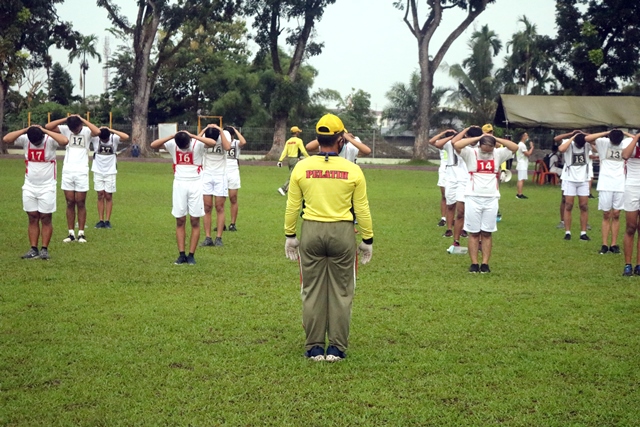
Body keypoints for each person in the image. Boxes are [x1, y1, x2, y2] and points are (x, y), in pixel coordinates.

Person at [283, 113, 373, 362]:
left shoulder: (302, 167)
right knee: (342, 291)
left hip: (311, 230)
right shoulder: (352, 170)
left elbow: (292, 206)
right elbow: (362, 209)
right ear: (341, 140)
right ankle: (336, 348)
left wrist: (290, 235)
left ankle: (313, 347)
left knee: (311, 290)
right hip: (343, 232)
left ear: (318, 138)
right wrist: (368, 240)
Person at [454, 131, 518, 273]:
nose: (487, 152)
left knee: (487, 232)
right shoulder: (471, 153)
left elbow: (514, 147)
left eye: (490, 149)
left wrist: (495, 138)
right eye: (485, 149)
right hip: (472, 197)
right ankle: (474, 263)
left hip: (491, 198)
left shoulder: (498, 154)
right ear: (480, 146)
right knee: (474, 232)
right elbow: (456, 144)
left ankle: (485, 263)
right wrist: (479, 137)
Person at [150, 129, 217, 264]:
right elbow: (153, 145)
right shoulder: (174, 144)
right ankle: (181, 254)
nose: (184, 149)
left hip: (196, 184)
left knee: (194, 220)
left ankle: (191, 255)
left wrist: (192, 136)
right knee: (180, 220)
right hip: (179, 184)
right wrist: (170, 135)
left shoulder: (197, 144)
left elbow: (212, 143)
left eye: (186, 146)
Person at [3, 125, 69, 259]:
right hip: (29, 185)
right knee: (32, 216)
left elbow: (64, 141)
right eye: (34, 142)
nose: (36, 144)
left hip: (47, 186)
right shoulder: (26, 139)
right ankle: (33, 248)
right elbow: (6, 139)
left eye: (38, 142)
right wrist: (24, 130)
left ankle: (44, 249)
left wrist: (44, 130)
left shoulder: (49, 140)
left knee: (45, 217)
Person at [45, 114, 100, 243]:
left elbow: (97, 131)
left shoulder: (87, 131)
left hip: (81, 171)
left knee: (80, 202)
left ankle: (81, 233)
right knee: (70, 202)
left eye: (76, 129)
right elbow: (48, 126)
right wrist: (66, 119)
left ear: (80, 125)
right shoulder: (66, 129)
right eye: (72, 129)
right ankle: (70, 233)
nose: (74, 131)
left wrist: (83, 119)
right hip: (68, 170)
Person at [586, 129, 633, 254]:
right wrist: (606, 132)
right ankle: (604, 244)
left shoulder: (626, 143)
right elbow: (588, 138)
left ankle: (614, 244)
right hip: (605, 183)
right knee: (606, 214)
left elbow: (636, 139)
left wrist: (627, 133)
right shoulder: (603, 142)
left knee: (616, 213)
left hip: (620, 183)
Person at [199, 125, 232, 247]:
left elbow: (228, 147)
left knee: (220, 207)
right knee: (207, 207)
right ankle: (208, 237)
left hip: (220, 175)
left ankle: (219, 237)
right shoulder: (203, 136)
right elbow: (195, 143)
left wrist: (221, 131)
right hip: (206, 174)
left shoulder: (225, 135)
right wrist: (203, 130)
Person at [91, 127, 130, 229]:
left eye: (106, 140)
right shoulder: (95, 138)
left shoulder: (114, 138)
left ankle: (107, 220)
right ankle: (100, 220)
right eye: (102, 140)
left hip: (110, 171)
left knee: (108, 196)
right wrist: (97, 130)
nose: (104, 141)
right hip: (98, 170)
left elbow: (126, 136)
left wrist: (111, 130)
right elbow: (90, 132)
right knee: (100, 195)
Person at [558, 132, 592, 241]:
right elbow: (561, 149)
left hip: (583, 180)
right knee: (568, 205)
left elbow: (596, 146)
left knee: (584, 206)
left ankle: (583, 232)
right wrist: (573, 136)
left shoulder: (587, 145)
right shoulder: (568, 144)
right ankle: (567, 232)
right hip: (570, 179)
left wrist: (586, 136)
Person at [223, 125, 247, 232]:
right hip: (222, 171)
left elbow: (243, 142)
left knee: (233, 197)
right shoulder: (221, 142)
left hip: (233, 172)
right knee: (221, 199)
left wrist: (236, 130)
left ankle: (232, 223)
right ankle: (221, 223)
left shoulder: (236, 143)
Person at [277, 126, 309, 195]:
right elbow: (303, 150)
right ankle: (283, 188)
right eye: (298, 132)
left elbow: (284, 152)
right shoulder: (299, 141)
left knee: (294, 175)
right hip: (295, 160)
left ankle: (292, 190)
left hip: (289, 160)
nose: (299, 133)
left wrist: (280, 160)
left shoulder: (288, 141)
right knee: (293, 176)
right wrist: (308, 158)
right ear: (296, 133)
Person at [515, 131, 535, 199]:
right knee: (521, 179)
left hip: (521, 164)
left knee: (520, 179)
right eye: (526, 135)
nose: (527, 137)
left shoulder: (520, 144)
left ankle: (519, 193)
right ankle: (520, 194)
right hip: (522, 164)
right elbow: (528, 154)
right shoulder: (522, 145)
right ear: (523, 136)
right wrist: (532, 147)